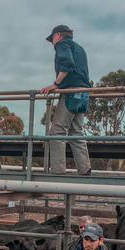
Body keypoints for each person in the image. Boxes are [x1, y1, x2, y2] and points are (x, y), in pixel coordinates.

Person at [39, 25, 92, 176]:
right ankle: (85, 168)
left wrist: (56, 84)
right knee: (76, 131)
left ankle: (58, 171)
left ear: (58, 36)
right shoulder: (79, 48)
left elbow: (68, 64)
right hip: (84, 92)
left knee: (56, 132)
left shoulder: (63, 44)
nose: (52, 43)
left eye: (52, 39)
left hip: (71, 91)